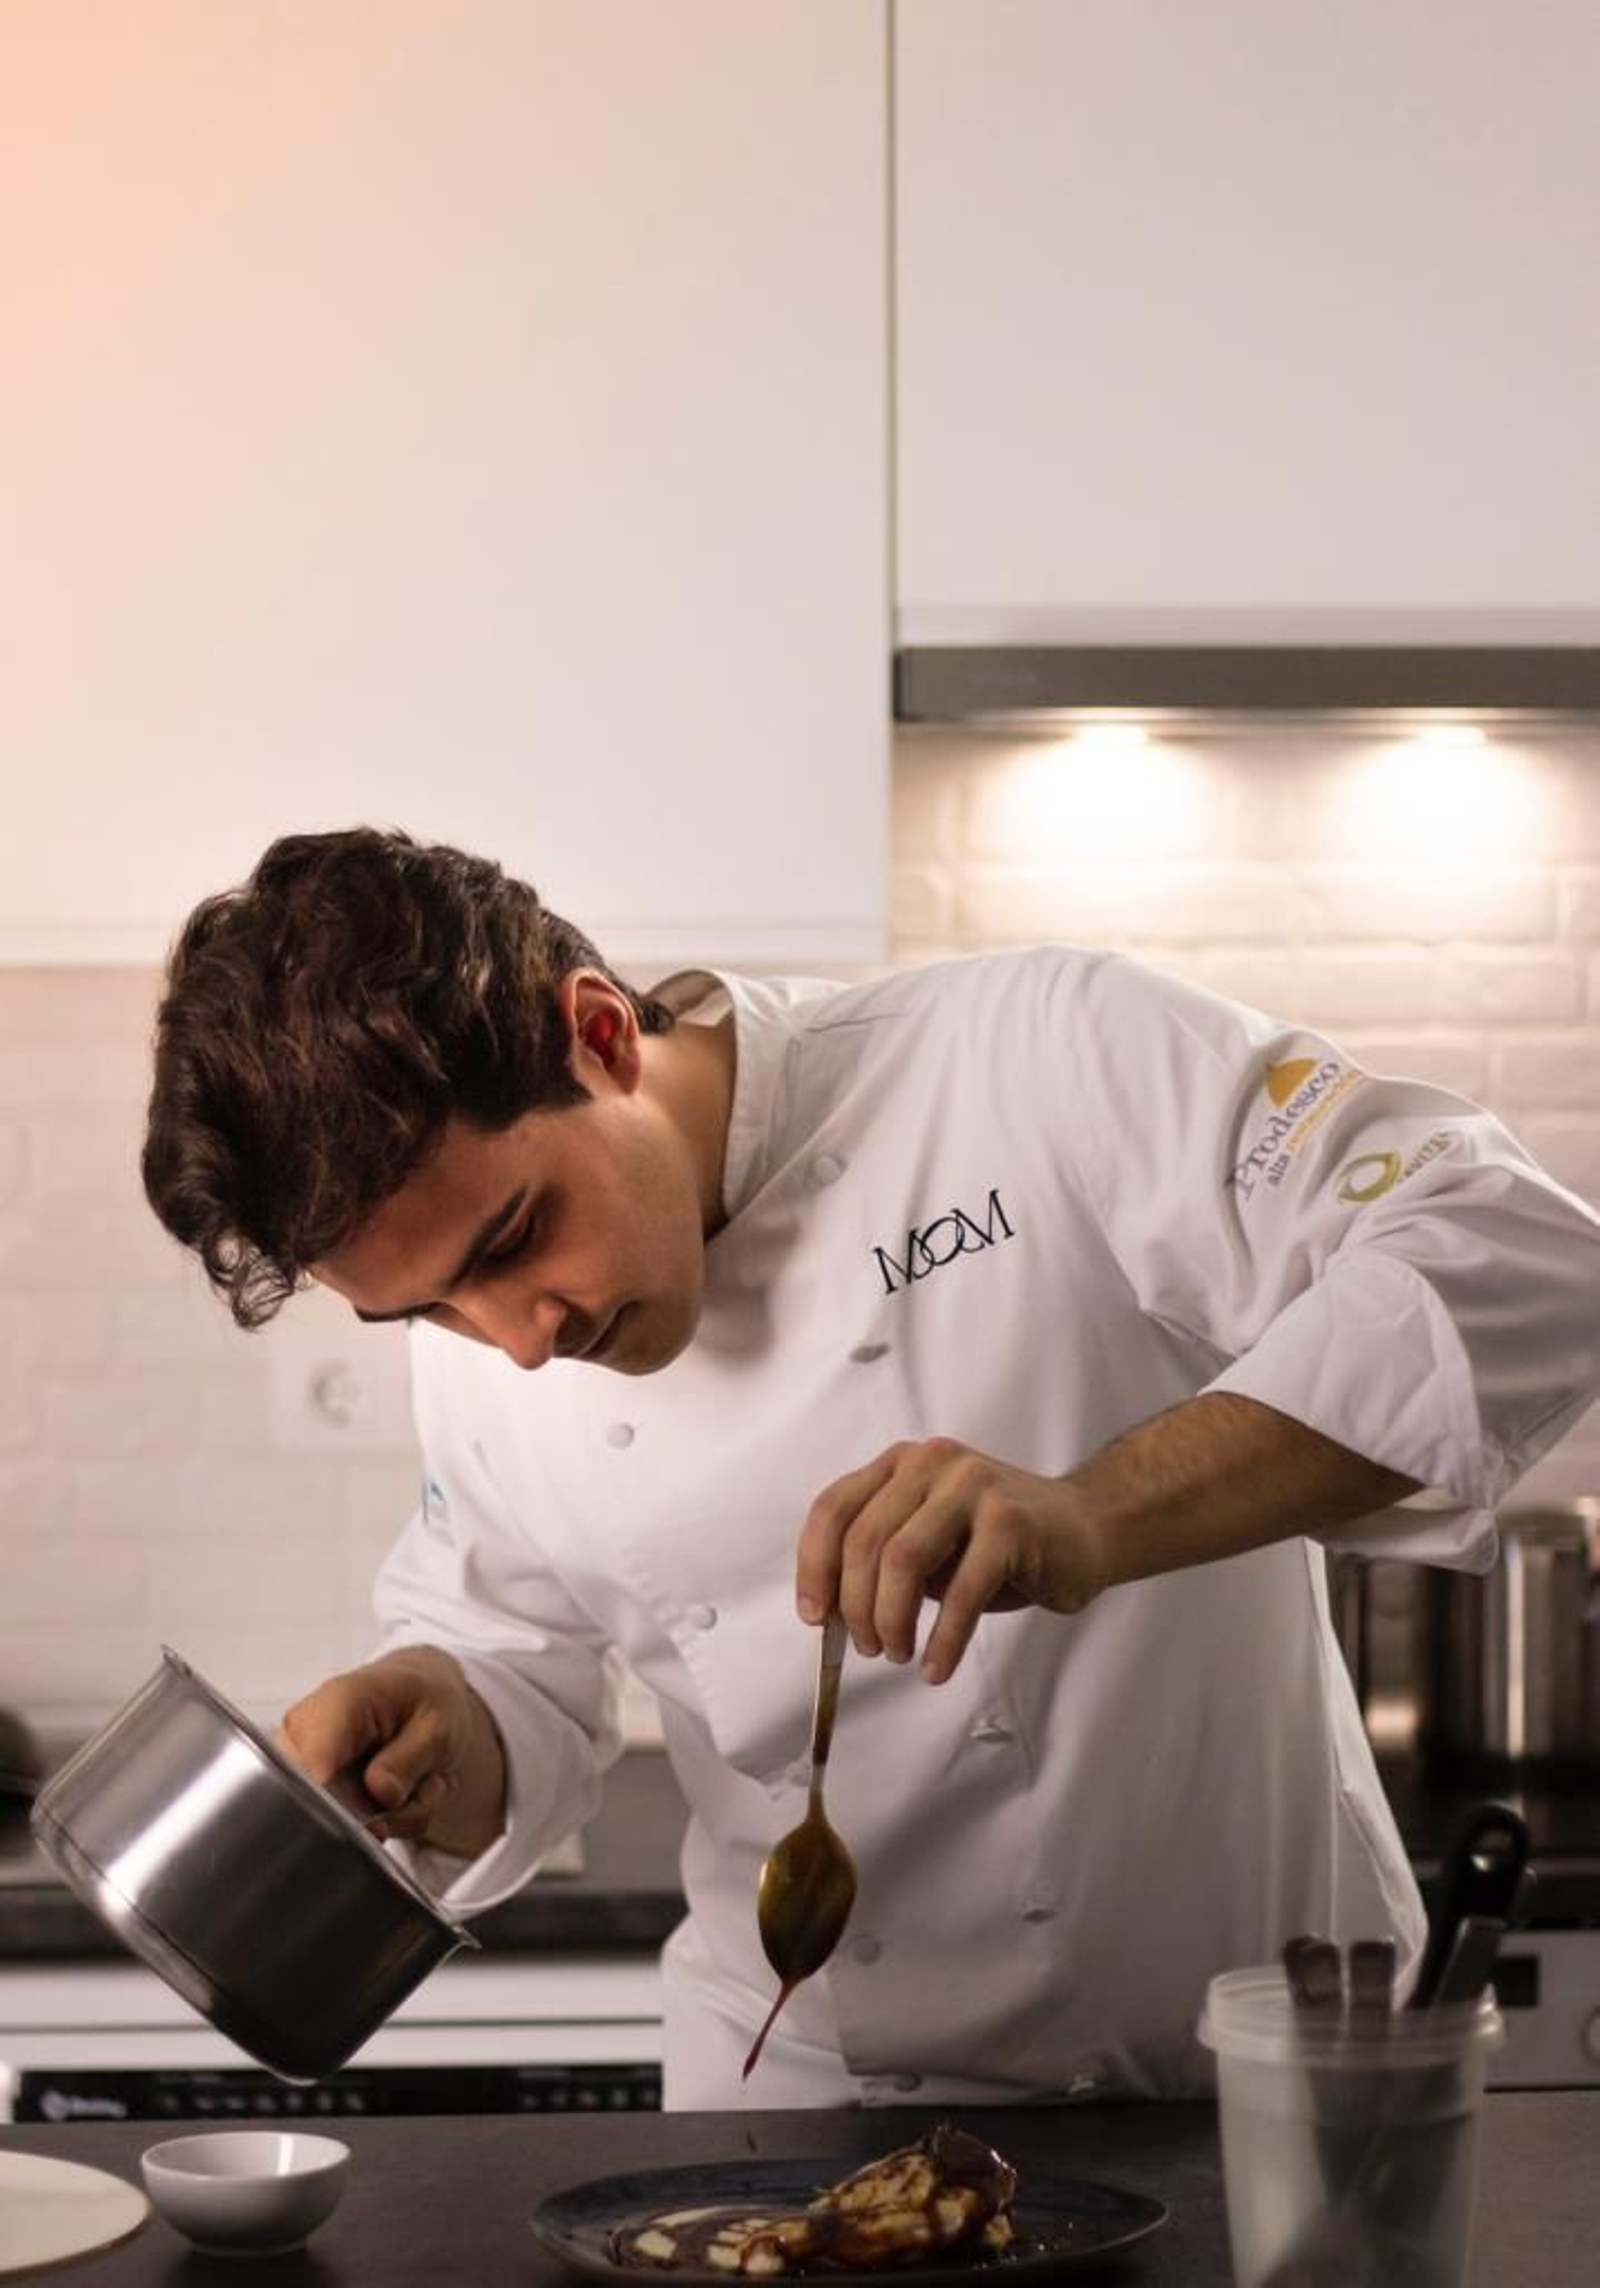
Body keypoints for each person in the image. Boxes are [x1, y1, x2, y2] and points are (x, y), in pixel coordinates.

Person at [141, 826, 1600, 2107]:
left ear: (598, 1033)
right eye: (429, 1310)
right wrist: (443, 1724)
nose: (514, 1343)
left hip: (1232, 2073)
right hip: (798, 2112)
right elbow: (516, 1652)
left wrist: (1095, 1509)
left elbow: (1511, 1250)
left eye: (513, 1241)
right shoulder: (485, 1338)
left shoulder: (1038, 1054)